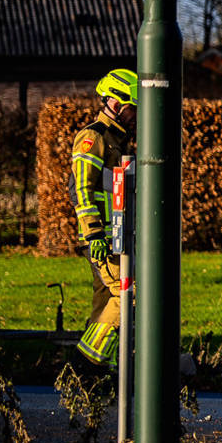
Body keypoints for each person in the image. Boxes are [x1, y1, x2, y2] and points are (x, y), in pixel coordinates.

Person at [71, 68, 137, 368]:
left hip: (115, 237)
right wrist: (94, 234)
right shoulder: (93, 137)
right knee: (131, 293)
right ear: (114, 102)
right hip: (102, 239)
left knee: (102, 307)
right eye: (131, 109)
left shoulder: (119, 140)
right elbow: (82, 191)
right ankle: (86, 366)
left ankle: (94, 377)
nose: (135, 115)